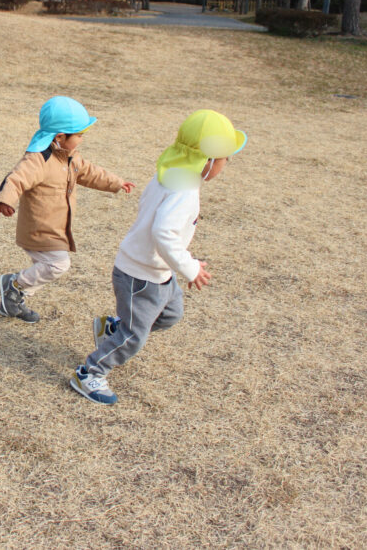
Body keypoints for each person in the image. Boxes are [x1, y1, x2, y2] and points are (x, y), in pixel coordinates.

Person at [71, 109, 246, 405]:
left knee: (170, 314)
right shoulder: (184, 189)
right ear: (207, 160)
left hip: (159, 273)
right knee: (134, 337)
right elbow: (163, 231)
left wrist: (181, 264)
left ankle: (112, 329)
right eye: (225, 159)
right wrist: (189, 268)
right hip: (140, 277)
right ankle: (89, 372)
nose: (226, 165)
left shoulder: (171, 173)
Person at [0, 96, 134, 323]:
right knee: (58, 264)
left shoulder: (71, 157)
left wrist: (116, 183)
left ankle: (13, 296)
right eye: (79, 135)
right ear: (60, 137)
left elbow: (90, 173)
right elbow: (15, 179)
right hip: (39, 228)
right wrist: (5, 200)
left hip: (57, 228)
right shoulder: (39, 160)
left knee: (47, 266)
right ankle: (14, 286)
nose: (82, 139)